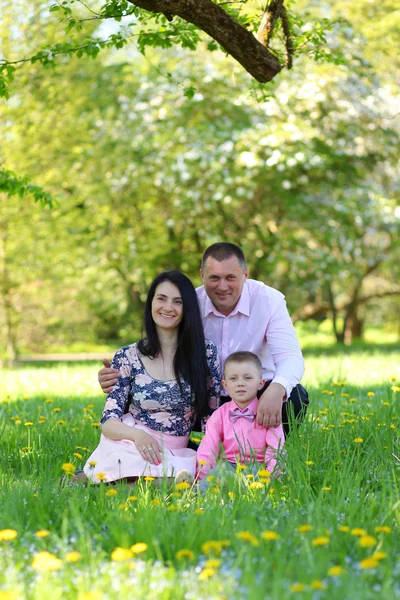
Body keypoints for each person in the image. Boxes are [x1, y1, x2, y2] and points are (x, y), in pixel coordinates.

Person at [98, 243, 308, 436]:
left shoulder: (269, 301)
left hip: (253, 392)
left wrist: (276, 389)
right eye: (214, 278)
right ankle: (169, 448)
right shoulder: (190, 303)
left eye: (231, 277)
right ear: (202, 275)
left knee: (295, 396)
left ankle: (265, 446)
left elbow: (291, 357)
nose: (222, 286)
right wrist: (121, 375)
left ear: (245, 274)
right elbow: (160, 346)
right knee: (134, 396)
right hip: (200, 394)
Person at [81, 271, 220, 484]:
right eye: (161, 299)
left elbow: (212, 418)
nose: (167, 307)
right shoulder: (127, 356)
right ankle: (115, 481)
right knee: (140, 473)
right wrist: (137, 436)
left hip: (176, 451)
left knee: (180, 479)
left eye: (177, 301)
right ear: (151, 303)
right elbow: (108, 422)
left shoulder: (205, 353)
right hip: (132, 443)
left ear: (187, 308)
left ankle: (96, 483)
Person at [196, 351, 285, 491]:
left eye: (248, 378)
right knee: (211, 480)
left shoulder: (267, 412)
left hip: (257, 464)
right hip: (228, 463)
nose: (240, 383)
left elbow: (276, 448)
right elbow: (209, 446)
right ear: (225, 384)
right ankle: (195, 492)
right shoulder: (220, 414)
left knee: (254, 483)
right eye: (233, 378)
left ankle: (239, 491)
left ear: (260, 383)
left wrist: (273, 476)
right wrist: (202, 475)